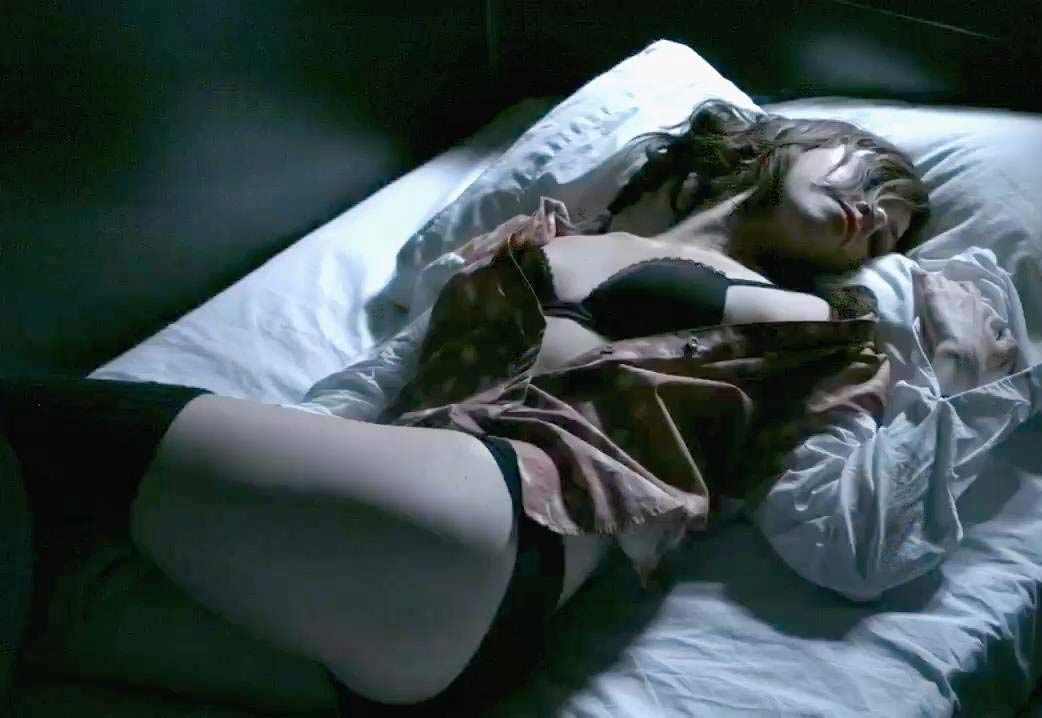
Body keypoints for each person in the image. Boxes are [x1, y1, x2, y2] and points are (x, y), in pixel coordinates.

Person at [1, 100, 928, 715]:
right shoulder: (533, 242)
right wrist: (298, 462)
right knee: (40, 586)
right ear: (785, 142)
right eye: (868, 175)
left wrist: (947, 372)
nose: (873, 213)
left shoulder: (824, 327)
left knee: (36, 427)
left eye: (888, 226)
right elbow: (375, 382)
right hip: (414, 613)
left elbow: (845, 542)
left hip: (498, 523)